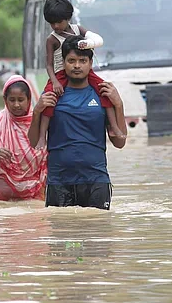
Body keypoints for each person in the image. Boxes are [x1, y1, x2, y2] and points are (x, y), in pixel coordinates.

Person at [28, 35, 128, 210]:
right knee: (62, 234)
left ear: (90, 63)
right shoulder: (53, 94)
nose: (76, 66)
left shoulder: (102, 94)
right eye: (71, 60)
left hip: (96, 180)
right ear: (64, 63)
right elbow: (34, 142)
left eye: (82, 61)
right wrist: (37, 111)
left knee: (96, 234)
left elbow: (119, 142)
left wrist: (118, 104)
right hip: (59, 181)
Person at [37, 0, 123, 148]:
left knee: (104, 90)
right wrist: (55, 82)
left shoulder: (79, 30)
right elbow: (49, 65)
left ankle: (114, 127)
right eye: (52, 23)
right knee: (48, 98)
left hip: (84, 73)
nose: (56, 26)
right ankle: (42, 136)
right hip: (60, 74)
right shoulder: (52, 39)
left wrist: (87, 44)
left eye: (59, 22)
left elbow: (97, 40)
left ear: (68, 18)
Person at [0, 76, 47, 201]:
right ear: (5, 100)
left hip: (35, 196)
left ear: (28, 99)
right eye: (12, 100)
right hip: (4, 198)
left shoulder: (40, 121)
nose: (16, 105)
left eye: (21, 100)